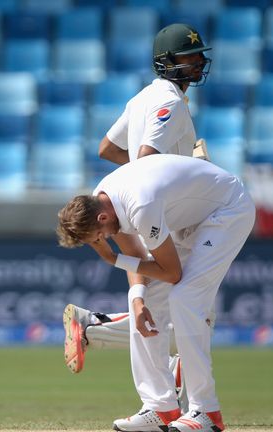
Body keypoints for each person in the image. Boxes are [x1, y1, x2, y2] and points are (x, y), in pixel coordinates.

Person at [62, 22, 214, 420]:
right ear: (166, 62)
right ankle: (158, 401)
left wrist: (162, 177)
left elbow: (107, 148)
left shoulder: (143, 98)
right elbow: (145, 161)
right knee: (181, 310)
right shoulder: (170, 104)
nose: (198, 62)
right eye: (188, 56)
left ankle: (161, 395)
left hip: (156, 211)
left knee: (173, 309)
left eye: (198, 55)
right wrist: (181, 173)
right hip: (170, 219)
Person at [58, 154, 255, 432]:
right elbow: (136, 254)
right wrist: (138, 300)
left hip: (227, 211)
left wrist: (112, 260)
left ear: (102, 218)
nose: (102, 243)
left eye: (99, 238)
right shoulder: (101, 199)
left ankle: (206, 411)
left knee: (184, 297)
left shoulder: (141, 205)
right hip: (190, 220)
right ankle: (160, 407)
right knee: (140, 298)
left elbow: (171, 273)